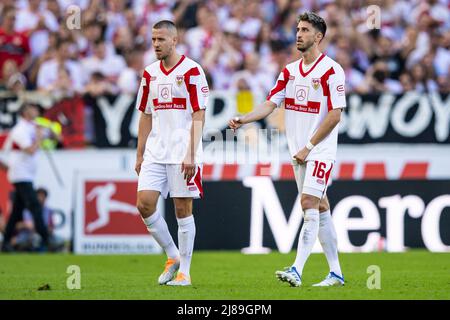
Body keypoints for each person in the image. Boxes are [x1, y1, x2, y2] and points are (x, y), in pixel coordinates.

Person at [229, 12, 345, 287]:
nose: (298, 34)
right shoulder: (290, 72)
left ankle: (297, 269)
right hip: (298, 152)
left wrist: (309, 146)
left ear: (318, 37)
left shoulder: (331, 70)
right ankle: (336, 273)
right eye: (298, 29)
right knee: (321, 206)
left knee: (308, 205)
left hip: (319, 150)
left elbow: (335, 115)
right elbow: (270, 103)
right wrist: (244, 118)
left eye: (305, 30)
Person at [134, 20, 209, 286]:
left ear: (174, 41)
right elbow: (145, 114)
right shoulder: (149, 73)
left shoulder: (191, 71)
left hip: (182, 152)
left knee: (182, 209)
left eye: (161, 40)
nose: (156, 44)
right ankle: (172, 254)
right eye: (153, 39)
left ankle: (185, 273)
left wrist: (190, 153)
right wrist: (140, 153)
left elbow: (199, 112)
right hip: (156, 151)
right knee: (144, 203)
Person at [1, 104, 49, 252]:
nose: (36, 111)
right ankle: (46, 239)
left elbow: (50, 133)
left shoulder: (32, 126)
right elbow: (30, 150)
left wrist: (48, 132)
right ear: (25, 112)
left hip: (26, 173)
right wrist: (40, 138)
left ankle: (6, 243)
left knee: (17, 211)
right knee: (35, 205)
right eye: (33, 109)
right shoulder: (20, 130)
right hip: (20, 173)